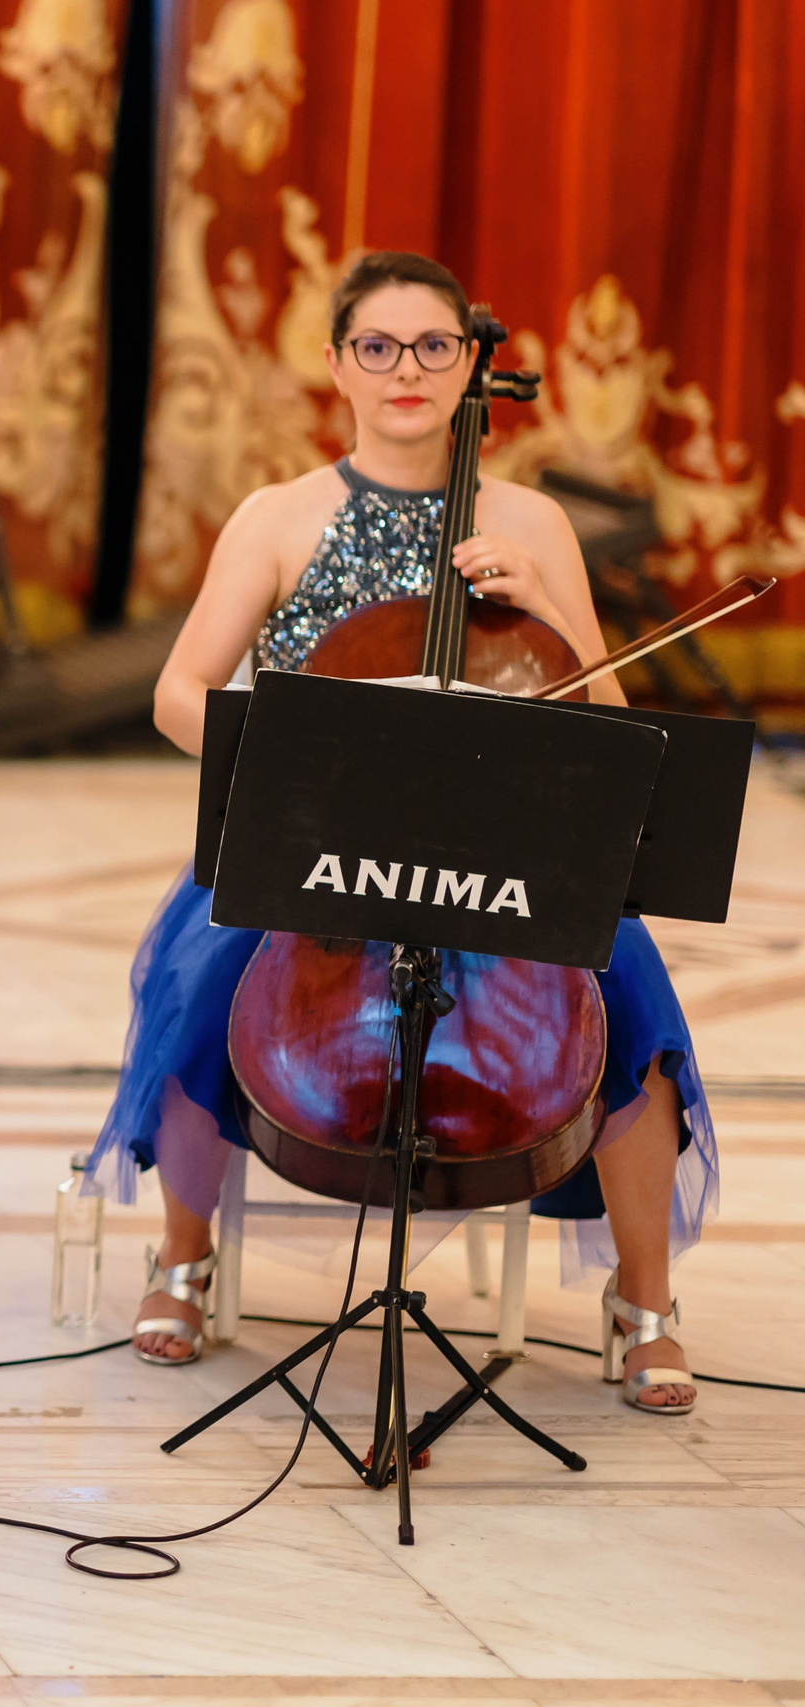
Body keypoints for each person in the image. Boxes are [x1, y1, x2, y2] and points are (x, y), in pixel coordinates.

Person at [97, 250, 711, 1415]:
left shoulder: (529, 520)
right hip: (322, 847)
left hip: (501, 851)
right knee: (198, 976)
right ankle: (180, 1256)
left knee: (629, 991)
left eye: (433, 346)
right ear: (335, 367)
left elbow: (614, 721)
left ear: (471, 362)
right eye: (376, 347)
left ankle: (643, 1302)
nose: (406, 370)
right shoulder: (280, 517)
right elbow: (182, 690)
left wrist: (537, 603)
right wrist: (271, 761)